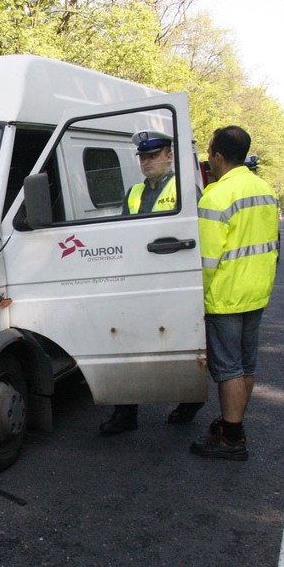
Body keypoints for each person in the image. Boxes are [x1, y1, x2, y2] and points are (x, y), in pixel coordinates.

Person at [99, 129, 204, 435]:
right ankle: (125, 412)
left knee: (181, 342)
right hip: (138, 279)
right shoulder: (134, 192)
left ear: (169, 156)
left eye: (154, 155)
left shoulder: (186, 190)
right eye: (143, 157)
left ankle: (189, 398)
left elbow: (198, 236)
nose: (147, 162)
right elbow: (122, 234)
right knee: (127, 343)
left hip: (174, 277)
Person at [189, 125, 279, 460]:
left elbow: (207, 260)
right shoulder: (264, 188)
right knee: (246, 365)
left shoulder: (216, 195)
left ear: (217, 156)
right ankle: (232, 421)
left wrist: (197, 299)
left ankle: (231, 437)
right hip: (256, 291)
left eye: (209, 153)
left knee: (228, 369)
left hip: (226, 296)